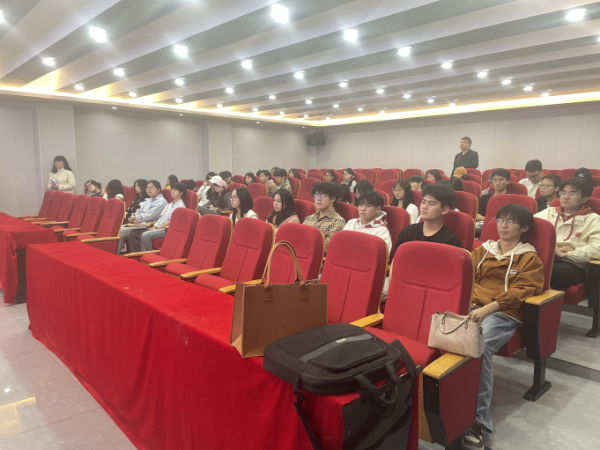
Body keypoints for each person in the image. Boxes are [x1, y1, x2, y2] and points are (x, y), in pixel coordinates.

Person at [463, 204, 544, 450]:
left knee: (480, 345)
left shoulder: (529, 258)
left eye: (511, 221)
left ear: (524, 227)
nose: (503, 225)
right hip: (471, 306)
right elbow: (463, 276)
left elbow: (522, 291)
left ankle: (478, 421)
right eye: (500, 220)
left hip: (503, 312)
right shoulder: (481, 251)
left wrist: (487, 309)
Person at [534, 178, 600, 290]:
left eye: (572, 193)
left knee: (541, 273)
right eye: (563, 192)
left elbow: (597, 248)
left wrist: (567, 254)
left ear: (584, 199)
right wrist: (555, 249)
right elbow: (530, 234)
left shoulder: (594, 219)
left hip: (573, 264)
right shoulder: (548, 213)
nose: (566, 197)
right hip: (544, 257)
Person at [392, 184, 462, 254]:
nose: (424, 207)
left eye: (431, 204)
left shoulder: (451, 242)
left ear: (444, 210)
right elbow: (397, 258)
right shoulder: (407, 232)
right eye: (423, 202)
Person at [128, 183, 187, 253]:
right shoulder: (169, 205)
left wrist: (157, 228)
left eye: (175, 190)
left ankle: (146, 256)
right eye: (172, 190)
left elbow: (170, 222)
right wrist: (155, 226)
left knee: (146, 235)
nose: (172, 192)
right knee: (133, 233)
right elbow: (161, 218)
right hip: (158, 226)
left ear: (181, 193)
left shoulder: (181, 207)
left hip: (166, 230)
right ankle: (135, 255)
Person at [117, 180, 167, 254]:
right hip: (140, 223)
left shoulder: (161, 202)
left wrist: (135, 217)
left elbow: (148, 216)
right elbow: (139, 212)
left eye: (151, 187)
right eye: (147, 188)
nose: (149, 189)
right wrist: (135, 217)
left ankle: (115, 254)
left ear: (158, 189)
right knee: (118, 229)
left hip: (149, 225)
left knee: (121, 232)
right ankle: (133, 255)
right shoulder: (148, 200)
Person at [344, 190, 392, 257]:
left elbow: (382, 257)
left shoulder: (382, 231)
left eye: (368, 206)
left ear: (378, 209)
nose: (363, 209)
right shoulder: (351, 223)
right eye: (361, 205)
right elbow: (341, 245)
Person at [303, 182, 346, 251]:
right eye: (316, 195)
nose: (318, 198)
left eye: (323, 195)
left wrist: (303, 243)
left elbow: (327, 246)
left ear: (333, 199)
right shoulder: (309, 218)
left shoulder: (337, 221)